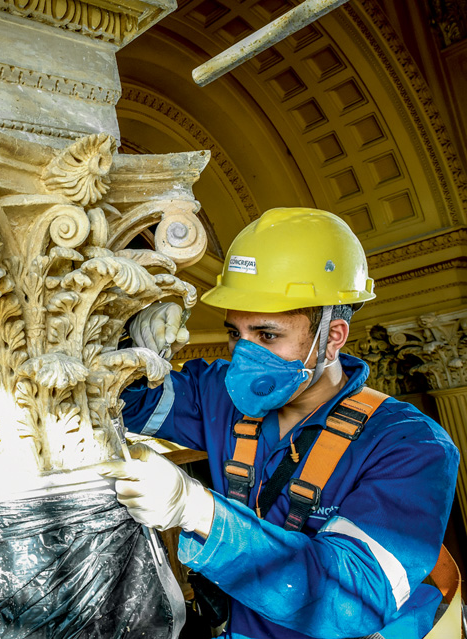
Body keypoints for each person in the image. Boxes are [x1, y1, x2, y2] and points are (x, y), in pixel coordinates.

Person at [99, 207, 459, 638]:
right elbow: (121, 395)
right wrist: (130, 330)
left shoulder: (410, 446)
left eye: (267, 335)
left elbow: (348, 602)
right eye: (236, 333)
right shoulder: (219, 395)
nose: (243, 355)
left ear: (333, 338)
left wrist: (197, 510)